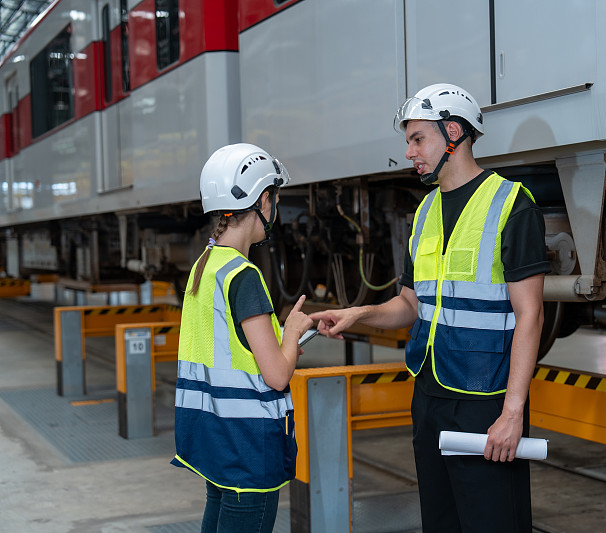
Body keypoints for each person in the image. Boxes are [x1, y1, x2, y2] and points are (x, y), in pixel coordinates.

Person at [310, 83, 550, 531]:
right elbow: (410, 304)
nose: (409, 153)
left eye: (418, 139)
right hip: (430, 397)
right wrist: (357, 315)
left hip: (484, 401)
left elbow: (530, 316)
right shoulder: (424, 212)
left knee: (493, 522)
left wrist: (513, 413)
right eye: (409, 141)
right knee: (440, 522)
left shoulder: (510, 204)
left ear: (453, 133)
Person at [171, 143, 313, 533]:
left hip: (213, 439)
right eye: (275, 198)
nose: (275, 208)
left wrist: (280, 340)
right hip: (247, 446)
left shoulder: (204, 265)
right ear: (263, 199)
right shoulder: (244, 276)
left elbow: (229, 346)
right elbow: (277, 375)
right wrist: (293, 331)